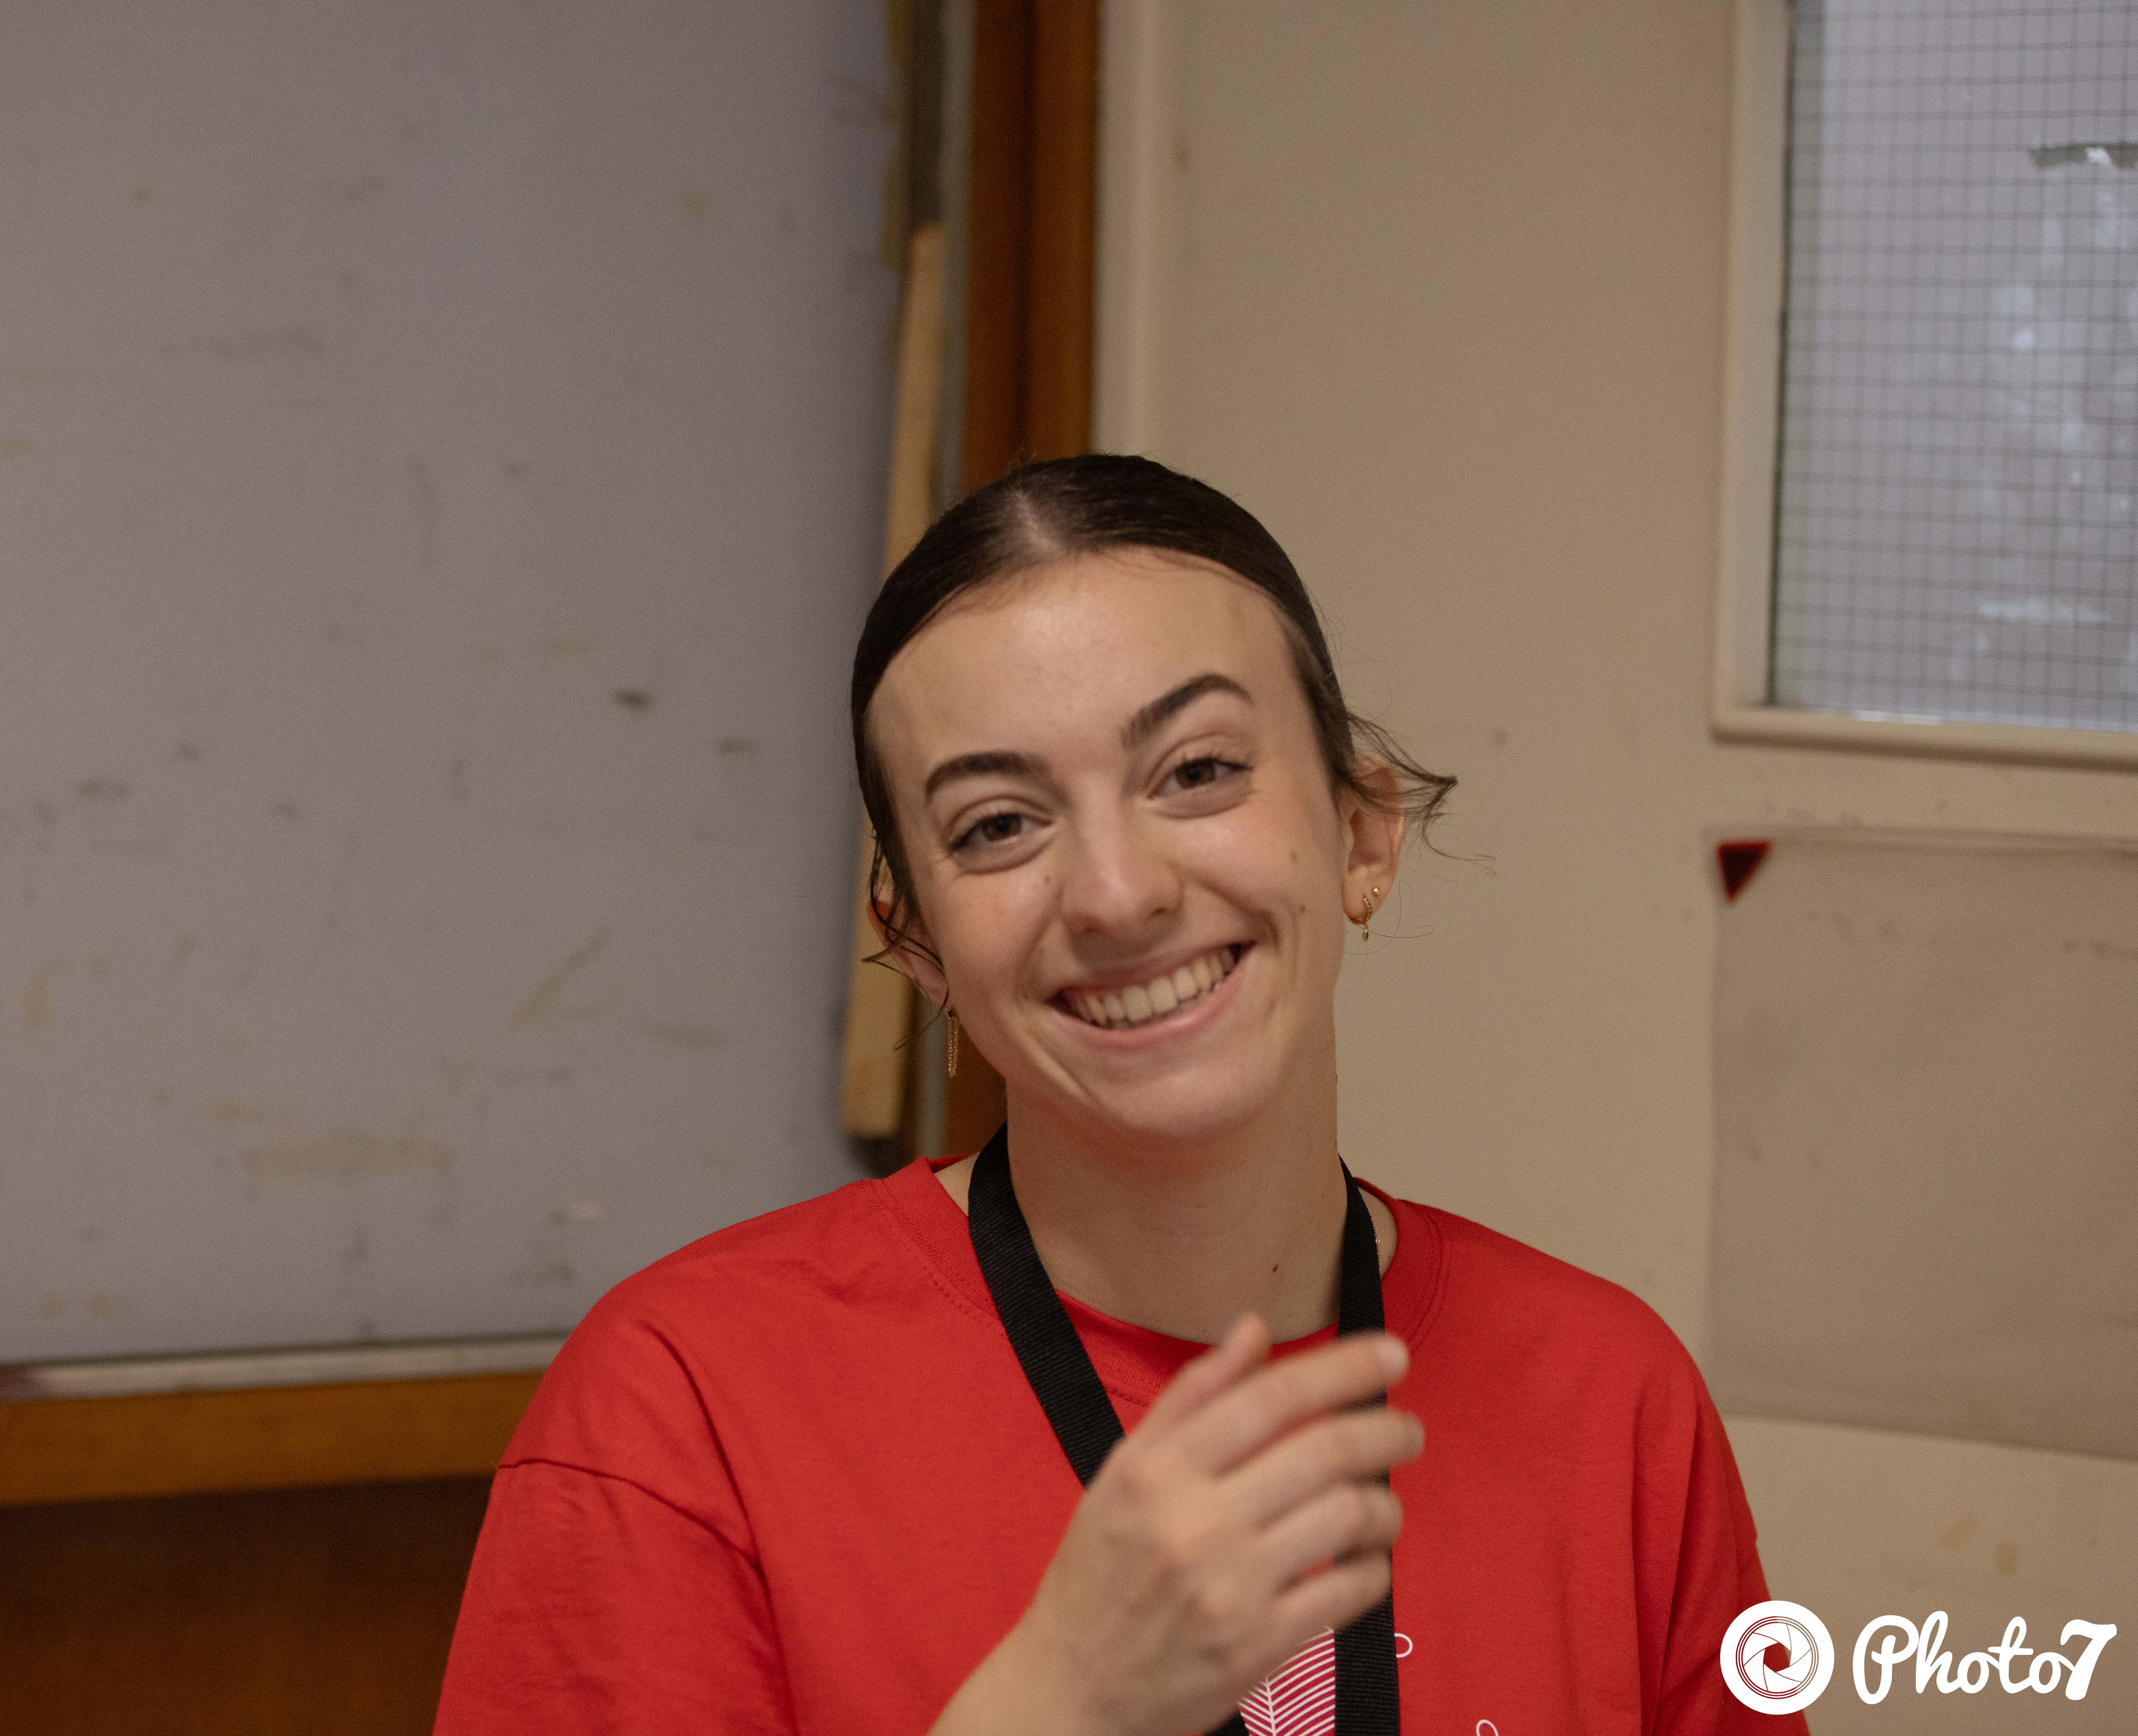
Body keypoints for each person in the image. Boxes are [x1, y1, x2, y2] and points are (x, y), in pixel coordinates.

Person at [433, 456, 1798, 1736]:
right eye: (998, 826)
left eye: (1197, 772)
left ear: (1362, 832)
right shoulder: (683, 1413)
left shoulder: (1609, 1405)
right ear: (919, 945)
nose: (1118, 893)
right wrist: (1059, 1706)